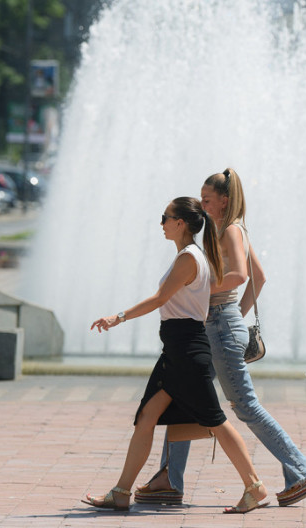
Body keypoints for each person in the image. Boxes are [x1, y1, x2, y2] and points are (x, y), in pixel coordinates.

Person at [135, 169, 306, 508]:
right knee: (183, 394)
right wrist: (234, 314)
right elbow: (259, 278)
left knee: (245, 406)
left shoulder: (231, 229)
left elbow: (240, 275)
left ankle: (301, 471)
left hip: (219, 328)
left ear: (223, 201)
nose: (202, 205)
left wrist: (200, 290)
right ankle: (168, 478)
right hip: (218, 324)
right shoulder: (226, 228)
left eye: (207, 200)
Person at [81, 196, 268, 514]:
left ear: (181, 223)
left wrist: (118, 317)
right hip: (178, 349)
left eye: (165, 217)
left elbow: (159, 299)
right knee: (147, 416)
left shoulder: (189, 258)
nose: (161, 223)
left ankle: (254, 486)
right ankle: (121, 491)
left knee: (216, 421)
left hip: (186, 351)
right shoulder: (194, 255)